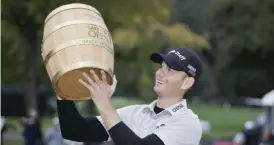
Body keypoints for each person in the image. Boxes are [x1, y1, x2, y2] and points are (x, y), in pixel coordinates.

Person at [57, 48, 203, 145]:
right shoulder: (135, 113)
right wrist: (62, 88)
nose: (159, 73)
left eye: (169, 70)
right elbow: (74, 130)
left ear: (187, 82)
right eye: (161, 67)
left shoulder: (189, 124)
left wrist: (104, 105)